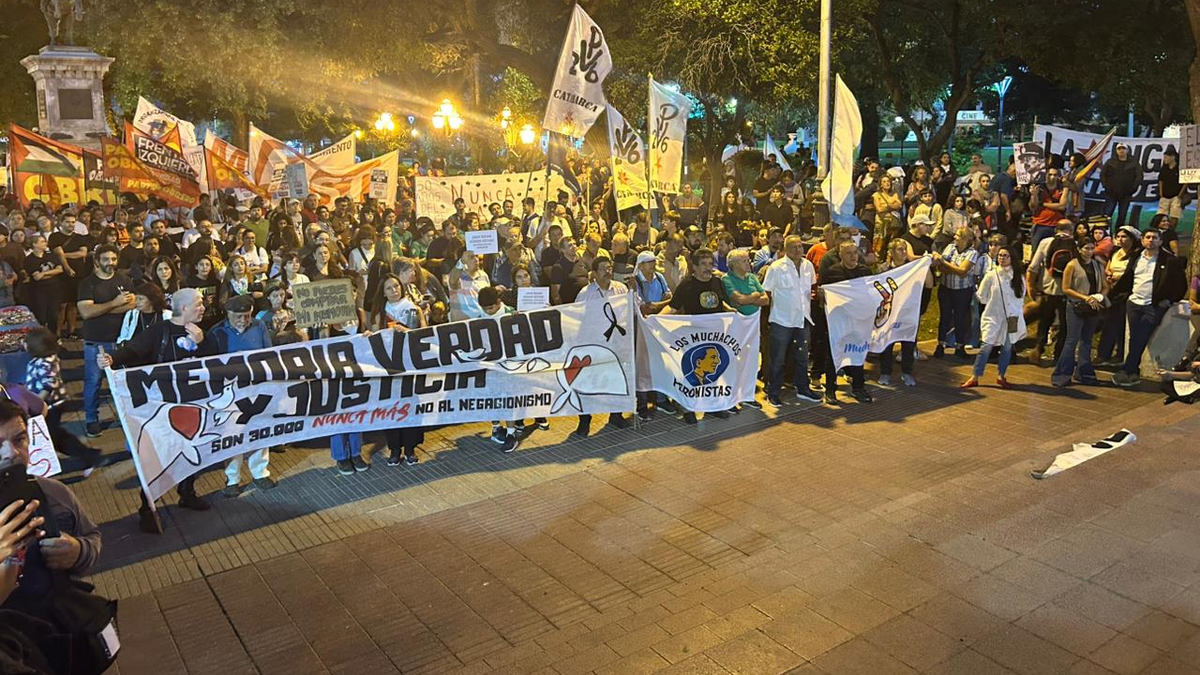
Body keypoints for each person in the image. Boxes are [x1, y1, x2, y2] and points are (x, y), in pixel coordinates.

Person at [98, 288, 212, 531]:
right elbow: (134, 348)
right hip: (163, 409)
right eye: (199, 304)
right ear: (183, 308)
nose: (203, 307)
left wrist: (202, 344)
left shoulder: (202, 332)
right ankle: (147, 507)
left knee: (191, 449)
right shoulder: (161, 330)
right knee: (158, 459)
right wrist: (112, 359)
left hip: (193, 406)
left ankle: (187, 492)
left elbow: (216, 363)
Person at [0, 399, 103, 624]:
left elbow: (92, 537)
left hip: (54, 636)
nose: (11, 453)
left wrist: (78, 551)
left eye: (19, 439)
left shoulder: (54, 494)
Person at [207, 294, 276, 495]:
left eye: (247, 316)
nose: (244, 321)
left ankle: (260, 473)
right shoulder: (217, 332)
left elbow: (268, 354)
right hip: (231, 389)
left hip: (256, 387)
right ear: (228, 314)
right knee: (231, 434)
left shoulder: (259, 326)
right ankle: (232, 478)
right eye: (239, 316)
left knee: (259, 430)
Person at [662, 248, 736, 422]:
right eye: (703, 264)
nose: (708, 268)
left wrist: (728, 309)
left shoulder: (717, 281)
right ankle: (689, 408)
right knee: (691, 374)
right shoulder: (686, 285)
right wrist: (656, 319)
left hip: (716, 336)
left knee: (714, 372)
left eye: (710, 264)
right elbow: (673, 307)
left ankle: (712, 407)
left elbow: (721, 300)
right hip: (694, 338)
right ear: (693, 266)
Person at [1109, 229, 1188, 387]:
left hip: (1153, 306)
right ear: (1143, 240)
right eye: (1148, 237)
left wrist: (1168, 300)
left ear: (1160, 241)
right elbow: (1128, 278)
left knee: (1141, 337)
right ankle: (1133, 372)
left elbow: (1181, 285)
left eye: (1155, 238)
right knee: (1135, 337)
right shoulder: (1136, 256)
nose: (1151, 240)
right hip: (1134, 303)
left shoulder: (1169, 260)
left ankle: (1127, 369)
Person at [75, 244, 136, 438]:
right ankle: (92, 419)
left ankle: (127, 418)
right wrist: (115, 304)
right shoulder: (87, 284)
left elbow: (133, 304)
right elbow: (85, 312)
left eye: (113, 259)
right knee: (93, 382)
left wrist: (101, 309)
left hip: (121, 341)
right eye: (106, 259)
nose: (110, 263)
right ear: (97, 262)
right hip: (96, 342)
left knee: (122, 382)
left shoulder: (124, 280)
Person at [572, 257, 631, 437]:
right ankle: (584, 419)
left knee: (616, 381)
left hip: (616, 344)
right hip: (593, 344)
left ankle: (615, 414)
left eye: (610, 268)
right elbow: (575, 317)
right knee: (587, 383)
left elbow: (629, 311)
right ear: (594, 273)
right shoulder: (585, 293)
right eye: (604, 269)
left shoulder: (621, 289)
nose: (608, 272)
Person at [761, 235, 820, 406]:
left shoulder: (808, 266)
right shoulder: (777, 267)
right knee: (777, 359)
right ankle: (773, 392)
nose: (798, 250)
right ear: (785, 249)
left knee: (802, 356)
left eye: (800, 246)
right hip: (782, 320)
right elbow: (768, 292)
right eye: (794, 247)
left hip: (803, 318)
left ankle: (803, 389)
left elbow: (810, 289)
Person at [962, 247, 1025, 388]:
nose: (1002, 258)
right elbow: (981, 296)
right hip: (993, 316)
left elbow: (1021, 296)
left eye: (1006, 256)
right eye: (1000, 255)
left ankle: (1001, 375)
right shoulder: (991, 275)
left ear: (1011, 258)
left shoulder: (1018, 276)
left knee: (1007, 347)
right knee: (986, 345)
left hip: (1012, 317)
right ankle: (975, 376)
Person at [819, 241, 873, 403]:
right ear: (841, 256)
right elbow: (824, 295)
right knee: (834, 353)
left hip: (858, 321)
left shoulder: (864, 271)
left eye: (855, 252)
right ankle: (830, 389)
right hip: (839, 321)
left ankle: (858, 387)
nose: (853, 256)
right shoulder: (832, 272)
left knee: (858, 352)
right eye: (849, 253)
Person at [1051, 239, 1109, 387]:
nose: (1089, 251)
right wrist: (1085, 298)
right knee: (1072, 340)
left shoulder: (1097, 265)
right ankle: (1062, 374)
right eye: (1086, 248)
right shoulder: (1072, 265)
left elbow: (1104, 285)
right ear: (1079, 249)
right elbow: (1066, 288)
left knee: (1087, 340)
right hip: (1076, 306)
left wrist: (1098, 296)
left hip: (1093, 307)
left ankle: (1084, 373)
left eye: (1091, 248)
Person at [1026, 221, 1076, 365]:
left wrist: (1031, 286)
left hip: (1047, 289)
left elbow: (1033, 267)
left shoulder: (1045, 242)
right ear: (1071, 231)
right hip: (1067, 291)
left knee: (1045, 320)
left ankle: (1038, 349)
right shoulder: (1075, 244)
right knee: (1065, 323)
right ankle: (1059, 355)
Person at [877, 239, 919, 387]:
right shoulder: (883, 269)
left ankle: (907, 372)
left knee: (908, 343)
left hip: (907, 312)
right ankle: (885, 372)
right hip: (889, 313)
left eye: (904, 250)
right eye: (900, 249)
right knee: (886, 343)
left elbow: (927, 284)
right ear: (891, 252)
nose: (903, 253)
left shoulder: (912, 268)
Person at [1096, 225, 1140, 366]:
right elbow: (1109, 267)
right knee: (1109, 323)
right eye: (1118, 236)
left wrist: (1118, 277)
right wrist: (1108, 275)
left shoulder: (1136, 255)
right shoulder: (1116, 252)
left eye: (1124, 237)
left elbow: (1133, 274)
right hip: (1112, 292)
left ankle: (1120, 354)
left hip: (1125, 293)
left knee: (1121, 325)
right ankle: (1103, 354)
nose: (1120, 239)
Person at [933, 227, 978, 360]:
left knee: (960, 318)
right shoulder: (951, 247)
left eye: (958, 235)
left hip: (962, 291)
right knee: (945, 317)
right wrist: (950, 266)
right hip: (946, 288)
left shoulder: (972, 253)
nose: (955, 238)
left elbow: (963, 271)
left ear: (965, 239)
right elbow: (941, 268)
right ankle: (941, 344)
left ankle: (960, 346)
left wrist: (945, 262)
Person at [23, 233, 65, 332]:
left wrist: (44, 274)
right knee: (41, 316)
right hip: (39, 290)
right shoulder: (29, 259)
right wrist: (52, 273)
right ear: (34, 244)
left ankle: (54, 337)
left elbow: (60, 270)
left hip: (54, 289)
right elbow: (37, 277)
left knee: (53, 315)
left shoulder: (51, 256)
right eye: (42, 241)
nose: (45, 243)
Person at [1100, 143, 1143, 229]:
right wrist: (1106, 186)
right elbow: (1102, 175)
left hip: (1126, 194)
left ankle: (1118, 234)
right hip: (1111, 193)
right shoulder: (1110, 162)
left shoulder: (1134, 163)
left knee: (1122, 215)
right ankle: (1105, 232)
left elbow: (1139, 176)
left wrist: (1133, 188)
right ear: (1116, 151)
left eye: (1123, 148)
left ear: (1127, 150)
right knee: (1107, 215)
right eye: (1119, 149)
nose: (1121, 150)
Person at [1029, 169, 1068, 250]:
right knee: (1036, 250)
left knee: (1053, 251)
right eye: (1050, 174)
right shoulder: (1039, 188)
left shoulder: (1062, 188)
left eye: (1055, 175)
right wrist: (1034, 195)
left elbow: (1061, 206)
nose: (1052, 177)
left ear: (1058, 176)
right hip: (1040, 223)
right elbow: (1033, 207)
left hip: (1056, 225)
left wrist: (1043, 204)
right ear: (1046, 175)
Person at [1157, 149, 1184, 227]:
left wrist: (1180, 195)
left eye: (1166, 157)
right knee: (1161, 215)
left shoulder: (1179, 168)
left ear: (1172, 157)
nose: (1165, 159)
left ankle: (1171, 231)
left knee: (1174, 214)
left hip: (1176, 195)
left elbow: (1185, 182)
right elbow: (1160, 181)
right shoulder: (1164, 169)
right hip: (1165, 195)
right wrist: (1161, 194)